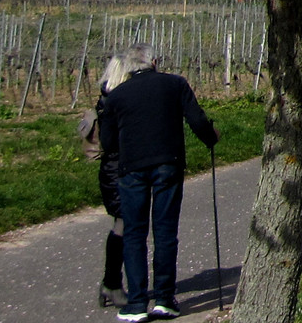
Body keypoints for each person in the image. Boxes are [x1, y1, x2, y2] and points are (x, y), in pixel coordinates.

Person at [99, 43, 219, 322]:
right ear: (153, 61)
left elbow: (107, 142)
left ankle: (137, 303)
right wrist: (211, 138)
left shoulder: (117, 95)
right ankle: (165, 299)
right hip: (169, 163)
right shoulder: (175, 84)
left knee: (134, 234)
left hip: (132, 169)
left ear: (130, 66)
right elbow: (198, 121)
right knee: (165, 232)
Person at [79, 53, 133, 309]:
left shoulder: (108, 98)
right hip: (117, 171)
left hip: (116, 169)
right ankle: (111, 283)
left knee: (125, 225)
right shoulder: (113, 102)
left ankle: (113, 283)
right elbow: (113, 144)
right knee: (123, 225)